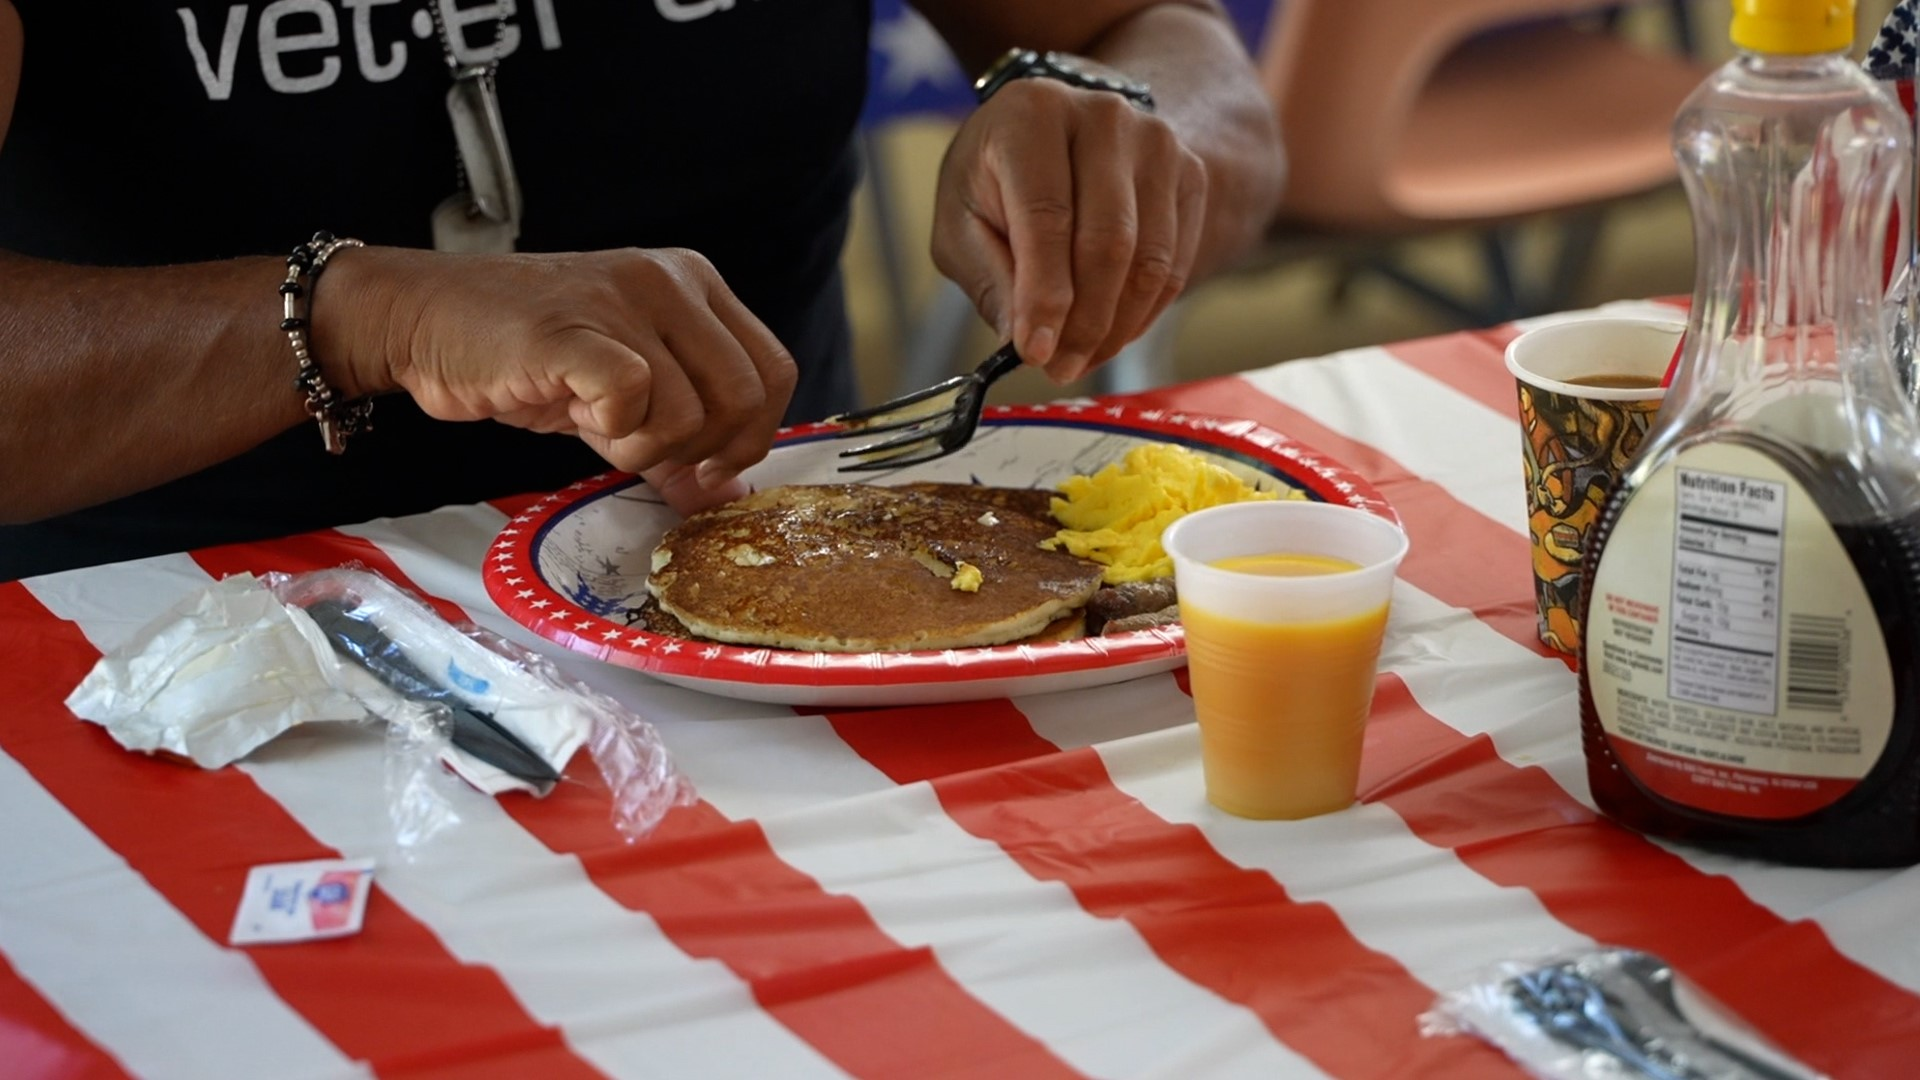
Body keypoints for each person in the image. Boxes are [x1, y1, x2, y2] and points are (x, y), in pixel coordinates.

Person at [0, 0, 1284, 581]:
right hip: (168, 643)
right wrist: (361, 315)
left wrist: (1116, 135)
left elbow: (1180, 61)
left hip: (783, 576)